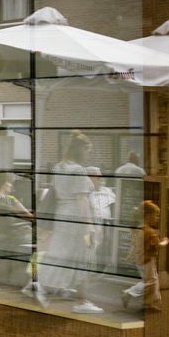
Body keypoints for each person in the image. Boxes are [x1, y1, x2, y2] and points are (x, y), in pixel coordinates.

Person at [34, 131, 102, 313]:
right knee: (84, 258)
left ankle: (41, 286)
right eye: (88, 150)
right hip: (76, 220)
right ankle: (82, 301)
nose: (89, 155)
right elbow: (82, 200)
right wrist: (90, 227)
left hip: (62, 217)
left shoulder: (59, 167)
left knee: (59, 254)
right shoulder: (78, 170)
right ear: (81, 150)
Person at [123, 200, 167, 311]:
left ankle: (149, 303)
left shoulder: (139, 229)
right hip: (147, 261)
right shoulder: (150, 232)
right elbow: (158, 246)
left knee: (154, 281)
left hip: (140, 261)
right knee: (150, 282)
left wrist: (129, 256)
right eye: (156, 215)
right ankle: (129, 293)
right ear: (148, 216)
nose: (157, 218)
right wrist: (166, 241)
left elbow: (134, 245)